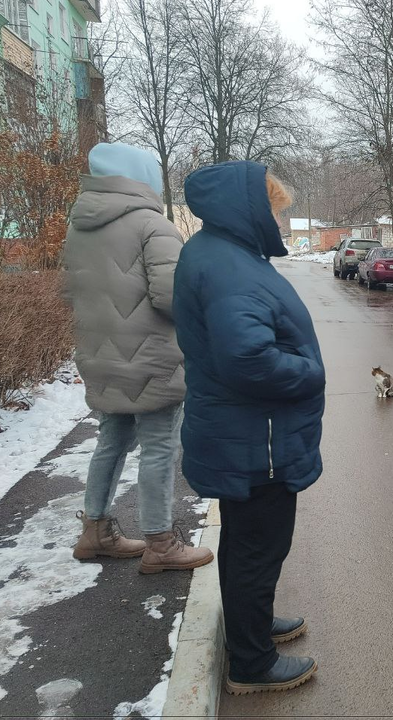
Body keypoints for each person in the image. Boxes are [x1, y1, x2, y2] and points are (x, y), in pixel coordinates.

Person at [173, 162, 325, 693]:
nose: (280, 223)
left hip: (246, 435)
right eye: (276, 212)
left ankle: (251, 630)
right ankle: (251, 663)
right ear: (251, 210)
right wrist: (310, 371)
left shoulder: (220, 254)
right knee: (259, 548)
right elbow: (249, 360)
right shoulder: (229, 266)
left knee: (247, 544)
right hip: (256, 441)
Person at [63, 141, 213, 573]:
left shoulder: (79, 226)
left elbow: (70, 293)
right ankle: (161, 543)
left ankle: (96, 530)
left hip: (100, 355)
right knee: (159, 448)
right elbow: (173, 298)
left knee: (110, 441)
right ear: (142, 179)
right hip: (152, 358)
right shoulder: (152, 224)